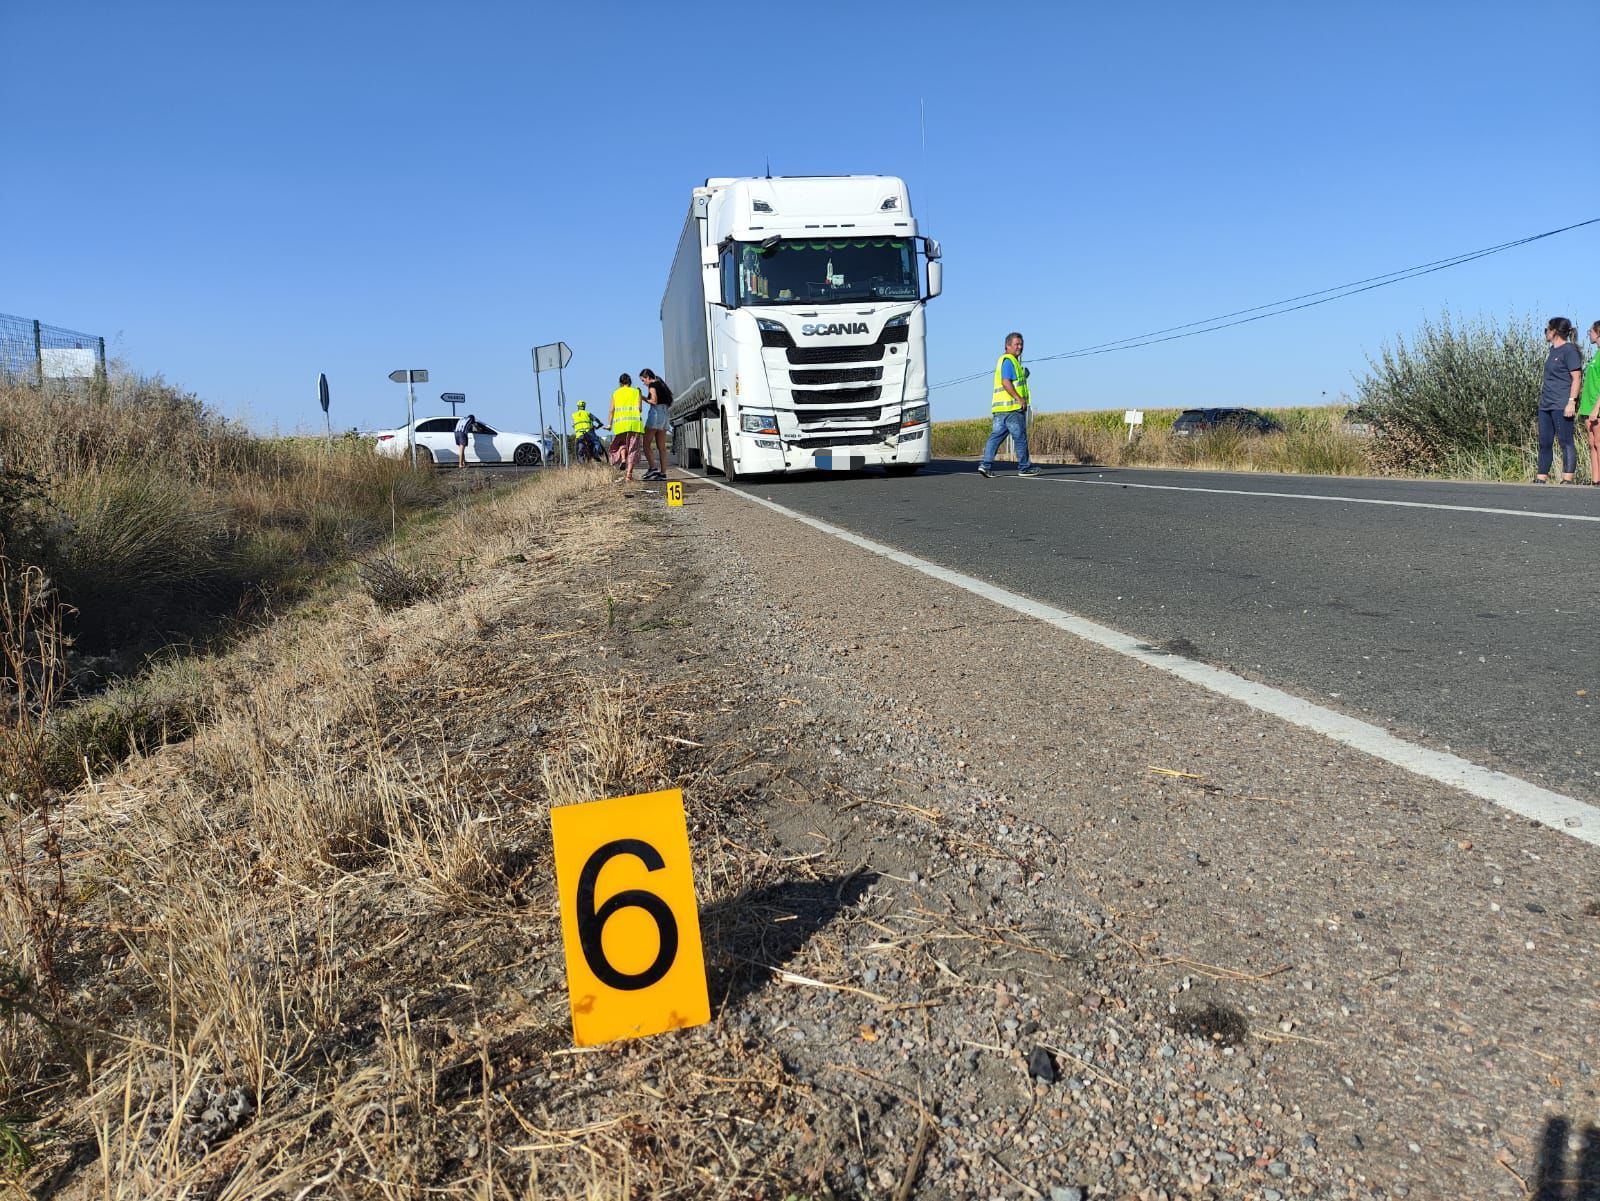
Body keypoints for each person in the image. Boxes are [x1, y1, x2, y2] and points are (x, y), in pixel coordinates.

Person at [977, 332, 1042, 478]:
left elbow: (1012, 381)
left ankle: (985, 465)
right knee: (1020, 437)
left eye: (1021, 344)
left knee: (996, 437)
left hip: (1000, 409)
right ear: (1007, 346)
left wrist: (1024, 375)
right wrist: (1019, 399)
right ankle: (1024, 467)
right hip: (1012, 409)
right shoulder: (1009, 361)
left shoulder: (1009, 361)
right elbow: (1005, 382)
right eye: (1016, 344)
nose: (1020, 347)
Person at [1536, 318, 1584, 484]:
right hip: (1546, 404)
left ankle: (1567, 479)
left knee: (1565, 441)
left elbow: (1577, 378)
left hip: (1561, 403)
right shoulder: (1552, 351)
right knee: (1544, 442)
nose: (1545, 333)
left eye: (1546, 330)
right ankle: (1541, 478)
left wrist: (1571, 402)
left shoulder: (1569, 350)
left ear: (1554, 331)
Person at [638, 368, 674, 481]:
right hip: (665, 414)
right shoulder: (661, 385)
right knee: (662, 447)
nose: (643, 383)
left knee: (646, 444)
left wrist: (642, 397)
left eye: (643, 380)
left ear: (648, 377)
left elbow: (654, 401)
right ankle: (663, 473)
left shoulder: (652, 386)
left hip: (656, 414)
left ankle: (652, 468)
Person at [609, 374, 645, 483]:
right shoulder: (636, 392)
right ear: (630, 382)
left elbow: (611, 410)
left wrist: (609, 424)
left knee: (622, 444)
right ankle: (629, 475)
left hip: (620, 425)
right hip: (634, 424)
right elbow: (640, 409)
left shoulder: (616, 393)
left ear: (620, 383)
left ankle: (623, 458)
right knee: (633, 449)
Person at [1580, 321, 1600, 486]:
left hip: (1596, 406)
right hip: (1587, 405)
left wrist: (1596, 408)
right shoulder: (1596, 354)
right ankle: (1595, 480)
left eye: (1590, 331)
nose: (1589, 334)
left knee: (1599, 442)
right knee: (1592, 443)